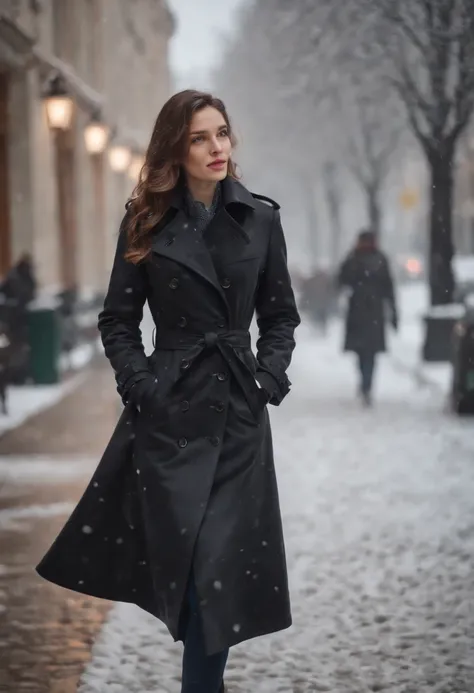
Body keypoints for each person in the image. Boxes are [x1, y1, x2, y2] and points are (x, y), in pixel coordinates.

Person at [36, 90, 300, 692]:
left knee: (216, 582)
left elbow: (280, 315)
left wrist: (267, 377)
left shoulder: (260, 219)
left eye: (223, 134)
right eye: (200, 138)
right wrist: (141, 384)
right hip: (168, 415)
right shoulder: (147, 221)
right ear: (175, 150)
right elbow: (117, 319)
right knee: (188, 580)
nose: (216, 148)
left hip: (236, 417)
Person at [338, 229, 398, 406]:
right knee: (365, 353)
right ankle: (366, 384)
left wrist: (394, 312)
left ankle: (366, 385)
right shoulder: (370, 259)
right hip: (368, 313)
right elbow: (389, 288)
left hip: (365, 313)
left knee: (366, 353)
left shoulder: (358, 258)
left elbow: (342, 280)